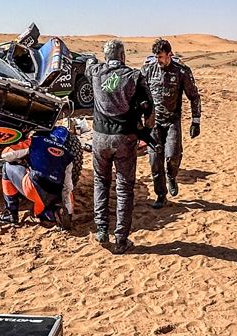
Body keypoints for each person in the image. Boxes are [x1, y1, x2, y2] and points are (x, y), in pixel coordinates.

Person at [86, 38, 153, 254]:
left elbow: (88, 64)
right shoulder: (134, 76)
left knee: (101, 182)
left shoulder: (96, 72)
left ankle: (102, 230)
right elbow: (149, 107)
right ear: (123, 56)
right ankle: (121, 239)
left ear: (107, 57)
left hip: (100, 138)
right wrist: (147, 132)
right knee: (124, 188)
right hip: (125, 138)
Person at [140, 38, 202, 209]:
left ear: (169, 54)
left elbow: (194, 96)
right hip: (153, 123)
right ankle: (161, 195)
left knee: (172, 155)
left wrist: (195, 121)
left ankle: (172, 176)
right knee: (154, 161)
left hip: (173, 121)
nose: (158, 60)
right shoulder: (148, 70)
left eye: (161, 57)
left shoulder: (182, 71)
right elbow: (138, 94)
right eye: (156, 57)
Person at [0, 126, 76, 229]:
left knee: (6, 167)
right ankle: (52, 213)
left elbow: (7, 156)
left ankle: (10, 214)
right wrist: (68, 213)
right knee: (43, 206)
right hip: (54, 194)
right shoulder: (69, 156)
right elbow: (68, 187)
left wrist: (18, 147)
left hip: (34, 188)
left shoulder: (36, 141)